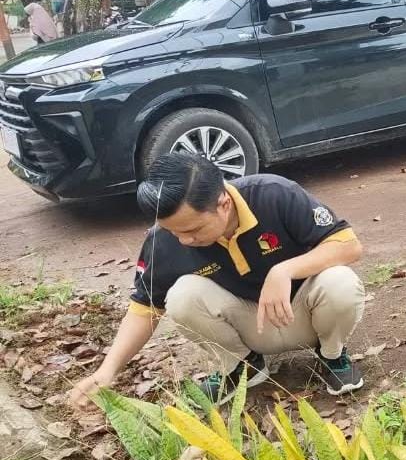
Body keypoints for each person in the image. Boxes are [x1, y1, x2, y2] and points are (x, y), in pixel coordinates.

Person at [69, 153, 366, 408]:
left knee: (339, 281)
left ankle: (332, 355)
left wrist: (284, 271)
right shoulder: (163, 239)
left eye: (194, 229)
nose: (184, 240)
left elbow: (348, 245)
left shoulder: (275, 193)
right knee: (181, 296)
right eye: (174, 231)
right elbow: (144, 309)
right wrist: (108, 370)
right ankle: (242, 367)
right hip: (249, 326)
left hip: (306, 314)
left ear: (223, 204)